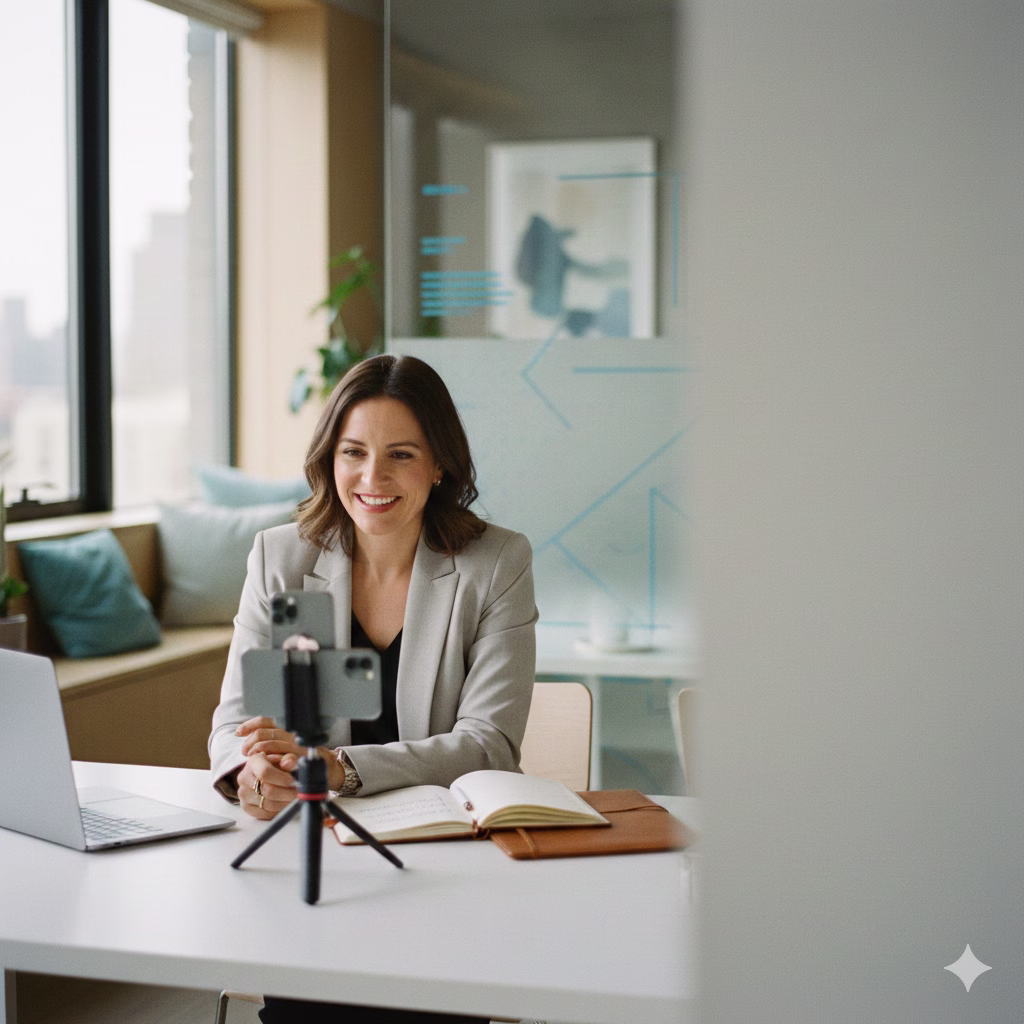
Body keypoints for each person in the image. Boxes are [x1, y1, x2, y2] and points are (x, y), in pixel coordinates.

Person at [208, 354, 537, 1024]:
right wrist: (253, 770)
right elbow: (235, 719)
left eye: (401, 455)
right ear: (330, 459)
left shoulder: (495, 563)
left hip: (444, 879)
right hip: (319, 869)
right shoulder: (281, 556)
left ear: (440, 465)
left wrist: (341, 769)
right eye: (353, 452)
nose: (373, 478)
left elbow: (490, 743)